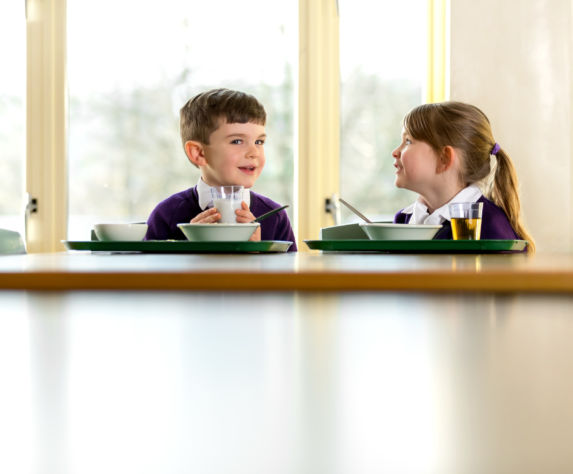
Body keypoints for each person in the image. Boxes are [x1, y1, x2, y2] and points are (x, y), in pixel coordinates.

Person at [145, 88, 297, 251]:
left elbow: (293, 276)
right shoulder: (166, 215)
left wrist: (256, 255)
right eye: (237, 141)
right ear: (198, 153)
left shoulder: (275, 216)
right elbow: (146, 275)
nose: (254, 153)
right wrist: (188, 250)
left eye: (259, 142)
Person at [391, 101, 535, 253]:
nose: (395, 152)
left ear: (444, 158)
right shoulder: (403, 219)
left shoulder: (490, 226)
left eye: (408, 141)